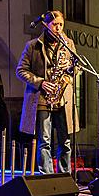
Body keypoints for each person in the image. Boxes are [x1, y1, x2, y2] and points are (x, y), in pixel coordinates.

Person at [16, 10, 79, 175]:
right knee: (45, 141)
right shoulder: (33, 45)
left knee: (65, 141)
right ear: (46, 25)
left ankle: (65, 175)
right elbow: (20, 71)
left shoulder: (68, 44)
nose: (58, 28)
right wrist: (41, 82)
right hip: (42, 99)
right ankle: (48, 176)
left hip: (63, 99)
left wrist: (71, 68)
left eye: (61, 25)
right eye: (55, 25)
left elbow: (76, 68)